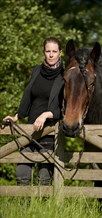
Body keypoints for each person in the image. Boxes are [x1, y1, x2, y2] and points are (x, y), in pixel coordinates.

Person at [3, 37, 64, 185]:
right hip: (30, 130)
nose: (50, 55)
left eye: (54, 51)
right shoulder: (36, 70)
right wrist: (16, 117)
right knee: (22, 173)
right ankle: (23, 207)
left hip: (49, 132)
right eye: (47, 51)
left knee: (44, 178)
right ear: (44, 52)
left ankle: (44, 208)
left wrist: (47, 114)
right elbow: (29, 98)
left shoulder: (65, 75)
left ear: (60, 53)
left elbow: (66, 109)